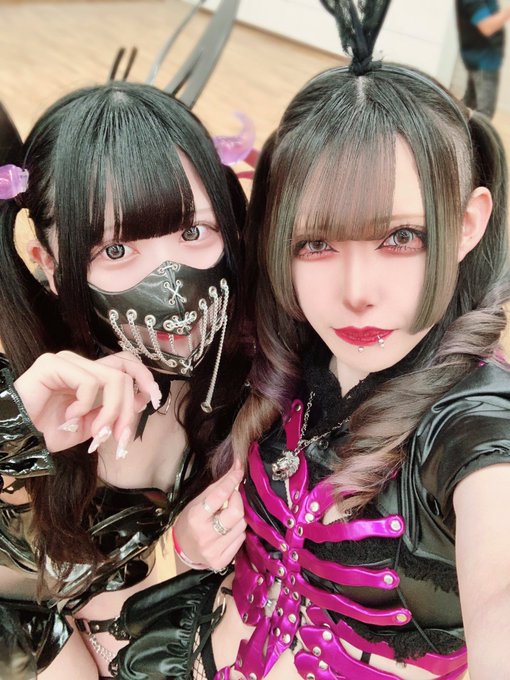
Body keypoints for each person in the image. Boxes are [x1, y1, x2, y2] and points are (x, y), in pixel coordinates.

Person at [111, 0, 510, 678]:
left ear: (468, 223)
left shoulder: (472, 426)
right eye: (316, 243)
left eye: (401, 237)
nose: (357, 292)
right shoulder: (282, 351)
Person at [0, 81, 250, 679]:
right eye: (115, 251)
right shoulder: (34, 391)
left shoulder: (262, 358)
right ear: (48, 266)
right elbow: (33, 600)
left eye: (192, 233)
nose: (170, 283)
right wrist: (10, 440)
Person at [456, 0, 510, 118]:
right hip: (483, 61)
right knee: (484, 113)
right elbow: (487, 27)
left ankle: (454, 124)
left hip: (482, 58)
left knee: (470, 103)